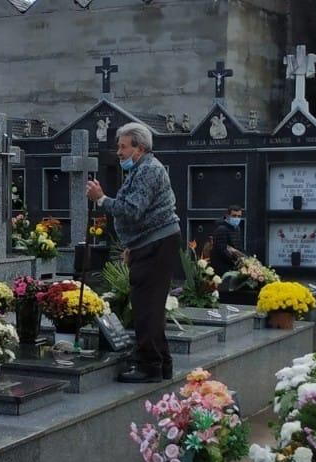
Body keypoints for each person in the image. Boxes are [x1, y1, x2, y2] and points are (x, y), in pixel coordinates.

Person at [85, 122, 182, 383]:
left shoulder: (149, 170)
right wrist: (132, 245)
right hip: (149, 243)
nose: (119, 152)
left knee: (146, 307)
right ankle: (161, 364)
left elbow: (132, 209)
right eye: (119, 146)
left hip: (157, 244)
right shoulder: (141, 169)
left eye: (123, 146)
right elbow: (141, 215)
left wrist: (101, 199)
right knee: (150, 306)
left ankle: (149, 366)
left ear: (139, 148)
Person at [204, 205, 245, 273]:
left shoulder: (237, 229)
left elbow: (238, 247)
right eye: (234, 216)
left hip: (232, 265)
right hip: (223, 267)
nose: (237, 218)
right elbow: (222, 250)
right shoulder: (221, 229)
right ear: (227, 216)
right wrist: (236, 260)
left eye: (239, 216)